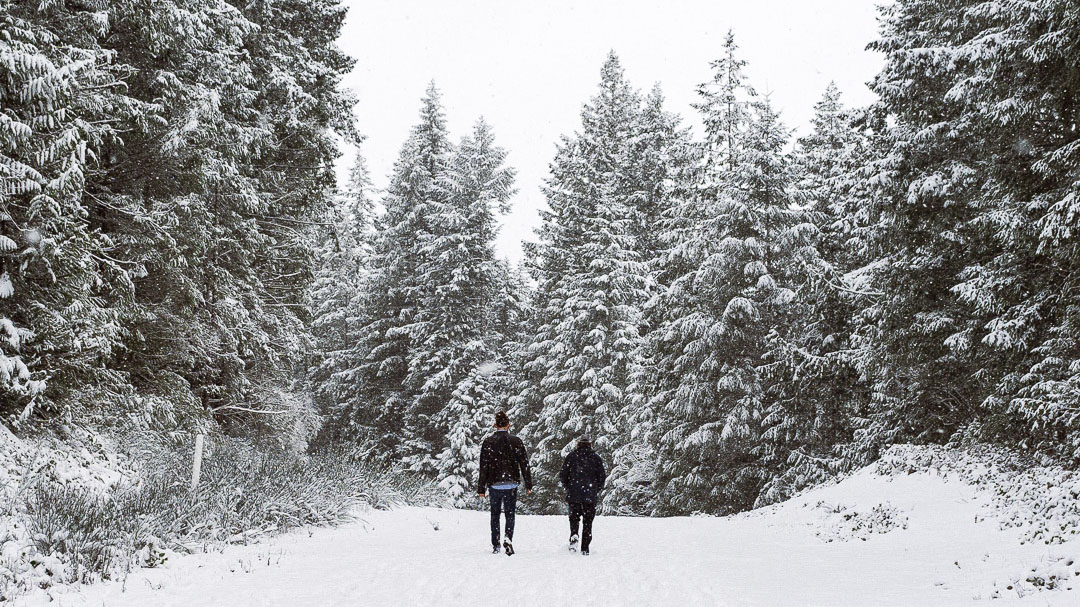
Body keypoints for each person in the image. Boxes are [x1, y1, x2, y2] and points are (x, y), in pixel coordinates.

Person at [477, 410, 533, 555]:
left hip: (494, 483)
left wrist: (481, 488)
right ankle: (508, 537)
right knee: (510, 514)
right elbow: (524, 463)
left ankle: (496, 544)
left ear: (495, 425)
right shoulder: (516, 441)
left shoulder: (488, 442)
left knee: (495, 514)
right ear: (508, 425)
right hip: (511, 482)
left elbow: (484, 465)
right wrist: (528, 484)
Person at [559, 434, 606, 555]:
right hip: (589, 495)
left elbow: (563, 474)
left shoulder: (571, 457)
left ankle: (574, 534)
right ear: (590, 444)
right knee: (588, 521)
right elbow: (602, 477)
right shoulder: (596, 458)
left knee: (574, 518)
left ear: (578, 444)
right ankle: (585, 547)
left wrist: (568, 487)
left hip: (574, 493)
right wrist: (595, 489)